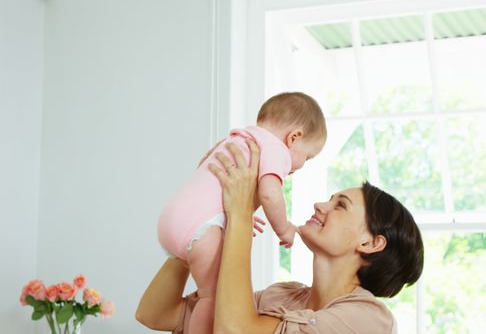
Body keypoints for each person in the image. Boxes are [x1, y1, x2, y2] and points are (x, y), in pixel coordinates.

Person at [137, 139, 424, 333]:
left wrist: (240, 215)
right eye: (330, 198)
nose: (320, 205)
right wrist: (204, 218)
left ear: (371, 242)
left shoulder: (368, 319)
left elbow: (236, 330)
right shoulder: (282, 295)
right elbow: (156, 313)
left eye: (340, 205)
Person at [156, 92, 327, 334]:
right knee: (212, 296)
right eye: (307, 157)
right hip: (200, 228)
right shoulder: (275, 149)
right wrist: (284, 227)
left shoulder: (236, 139)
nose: (300, 166)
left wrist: (233, 216)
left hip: (174, 218)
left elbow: (211, 183)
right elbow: (270, 194)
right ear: (294, 137)